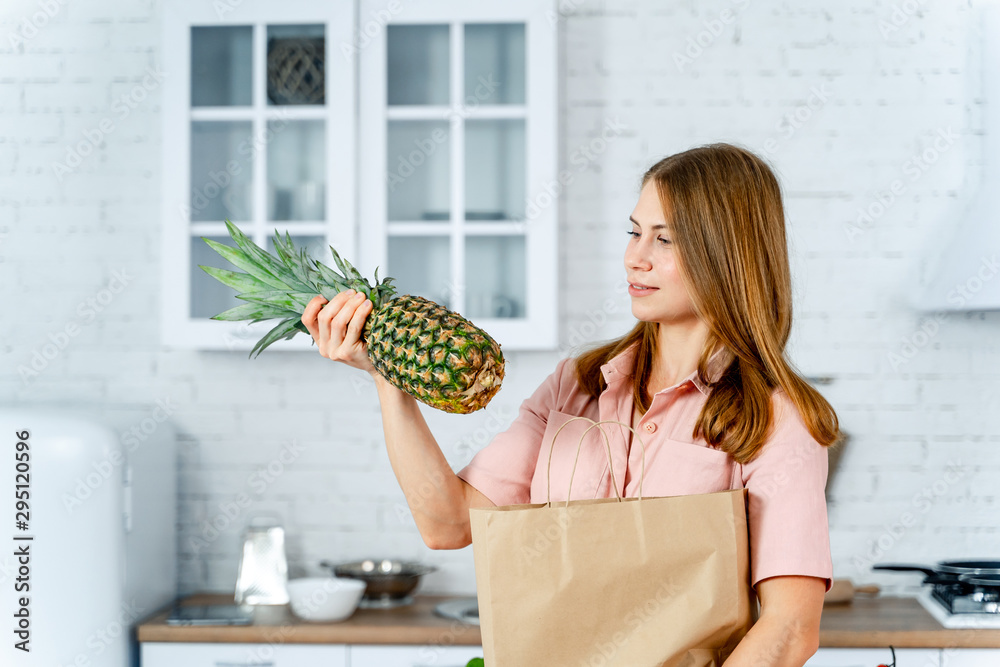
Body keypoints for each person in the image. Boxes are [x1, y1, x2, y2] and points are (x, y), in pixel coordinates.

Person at [300, 142, 840, 666]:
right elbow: (449, 524)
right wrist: (388, 378)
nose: (635, 257)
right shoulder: (576, 387)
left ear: (728, 253)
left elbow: (791, 628)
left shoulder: (776, 420)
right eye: (634, 233)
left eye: (665, 240)